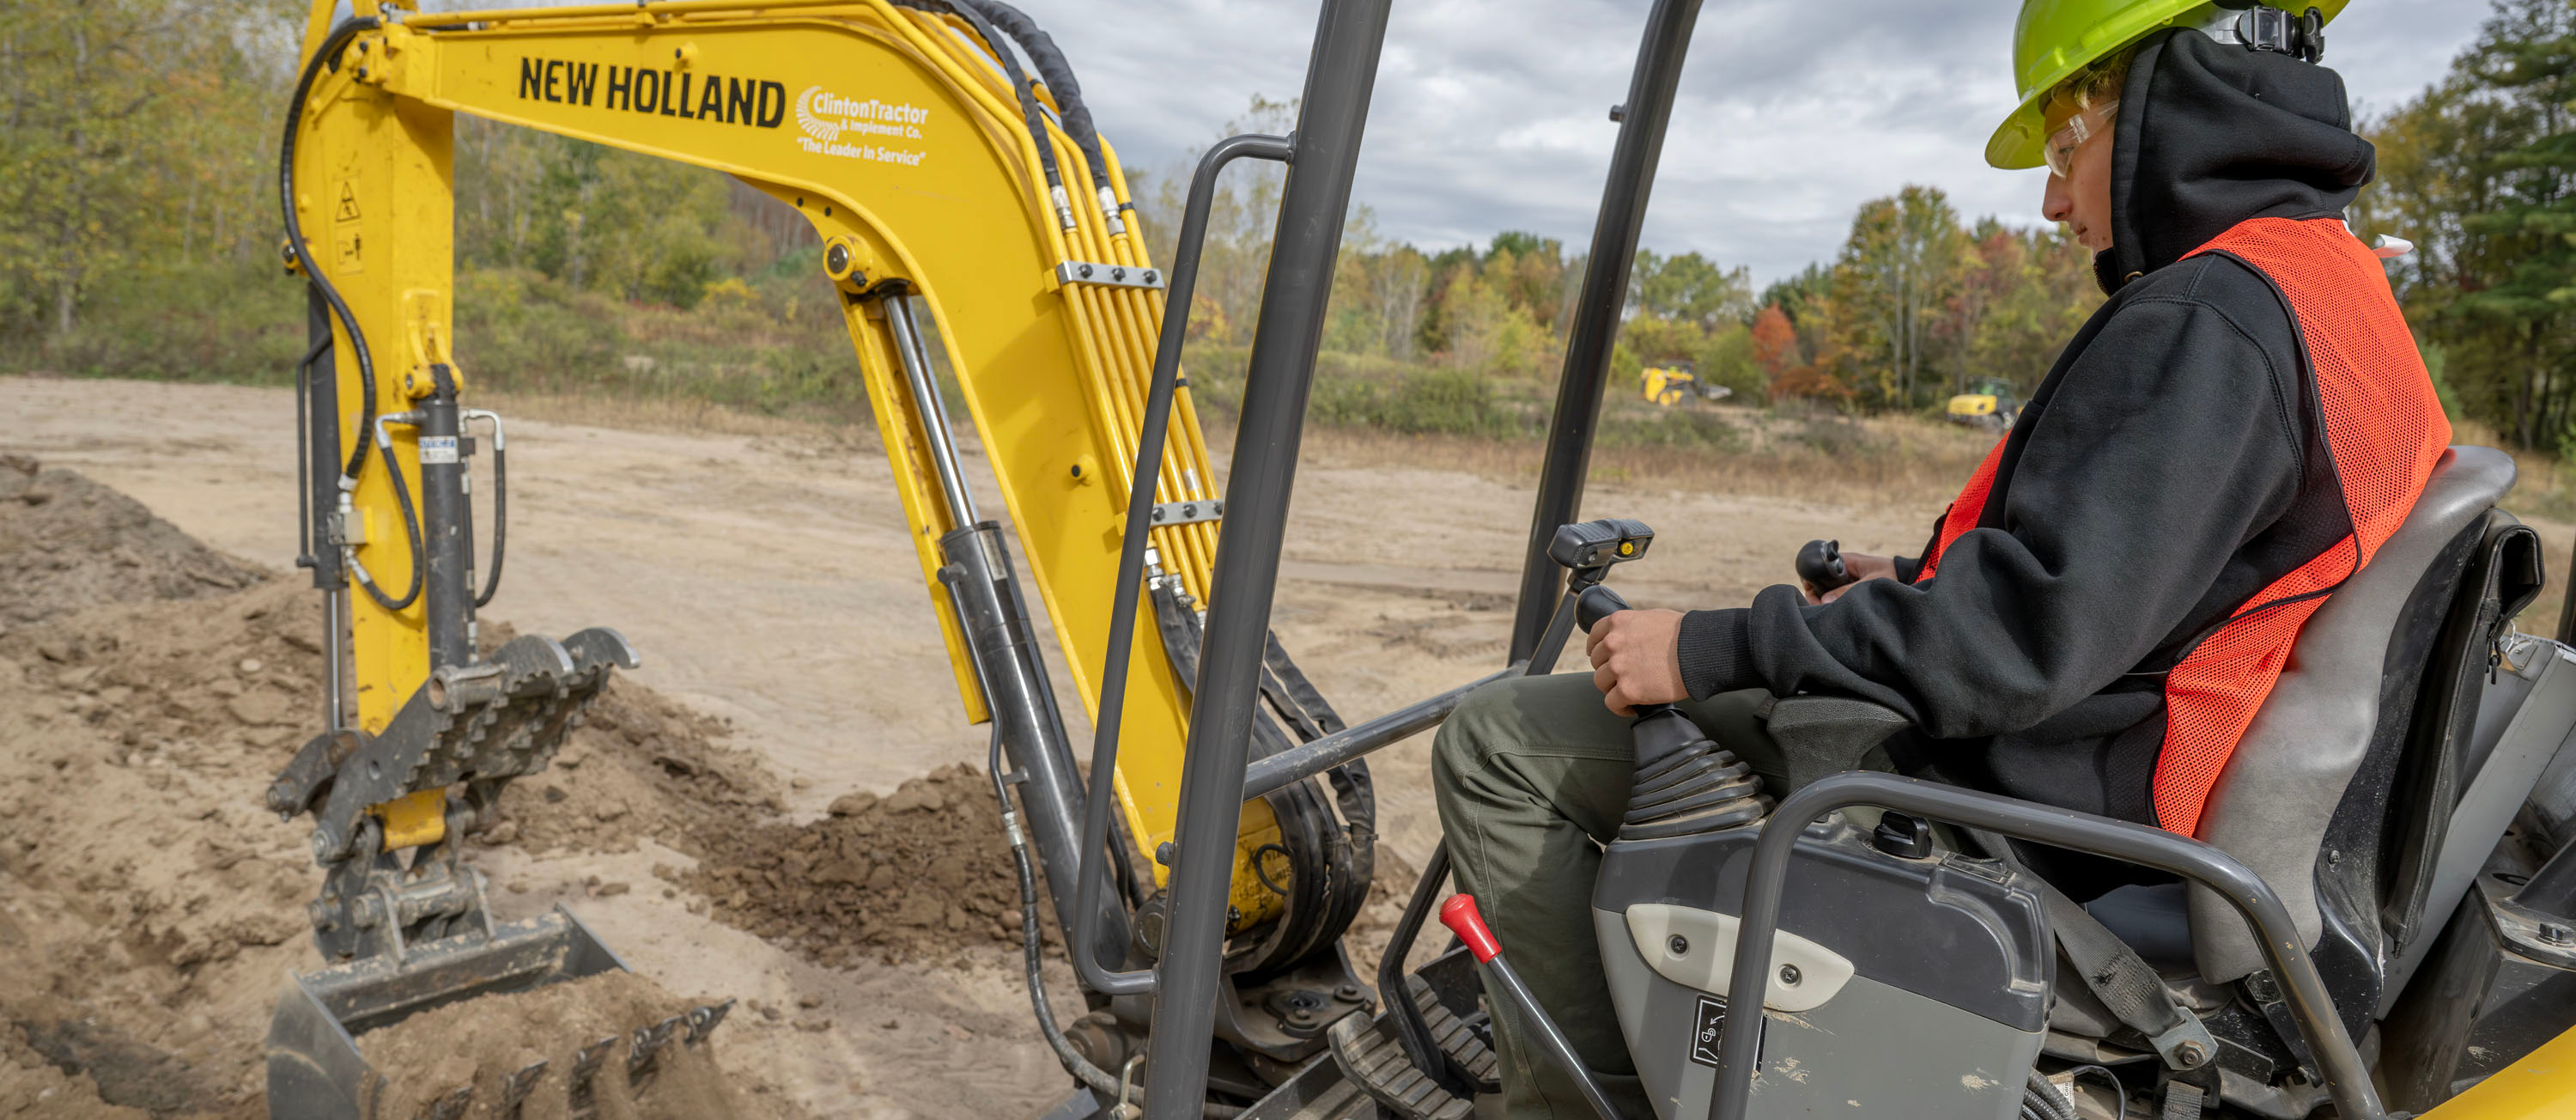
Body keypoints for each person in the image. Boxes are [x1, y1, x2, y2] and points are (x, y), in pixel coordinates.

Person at [1429, 1, 2451, 1115]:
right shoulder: (2327, 295)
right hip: (2117, 785)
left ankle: (1586, 1101)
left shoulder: (2211, 321)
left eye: (2068, 146)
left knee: (1498, 741)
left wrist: (1708, 646)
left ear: (2174, 95)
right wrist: (1911, 587)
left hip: (2023, 822)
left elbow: (2021, 645)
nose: (2054, 196)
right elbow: (2157, 588)